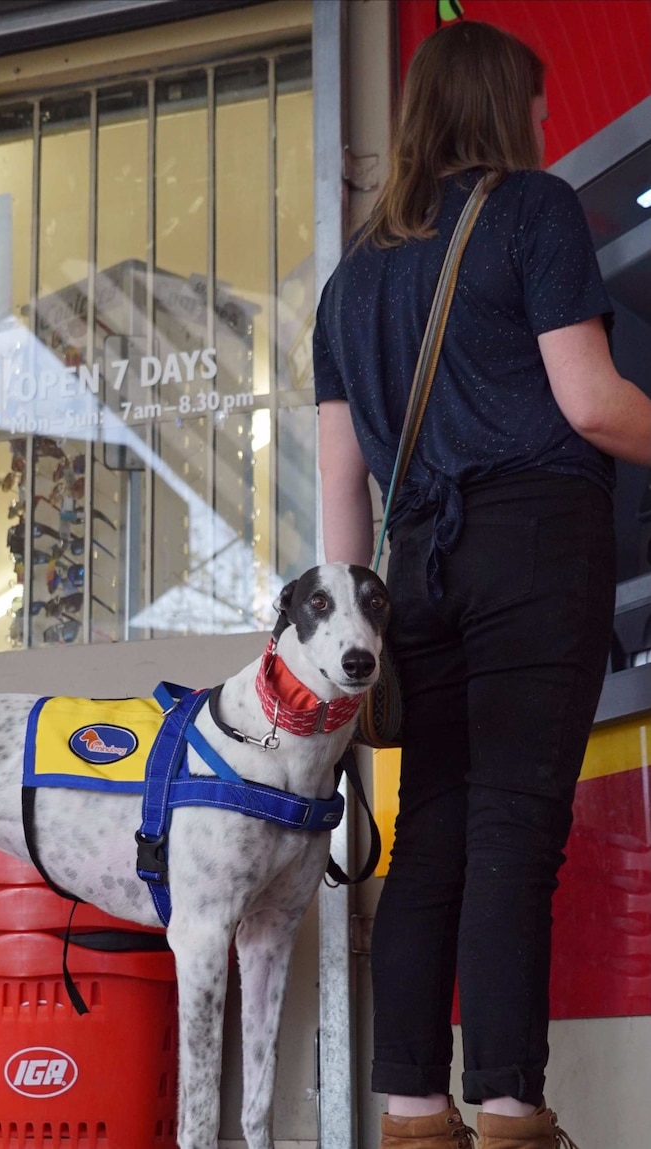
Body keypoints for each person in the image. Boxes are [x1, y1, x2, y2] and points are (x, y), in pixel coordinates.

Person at [314, 19, 651, 1149]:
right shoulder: (530, 208)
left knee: (432, 841)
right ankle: (511, 1114)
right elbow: (594, 402)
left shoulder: (352, 277)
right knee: (513, 829)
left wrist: (358, 631)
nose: (546, 126)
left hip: (417, 576)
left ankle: (413, 1119)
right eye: (537, 107)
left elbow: (338, 505)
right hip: (531, 545)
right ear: (506, 107)